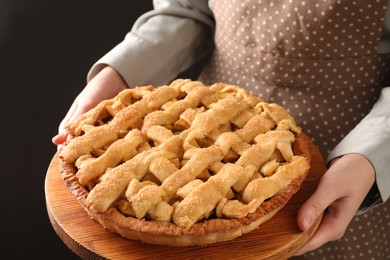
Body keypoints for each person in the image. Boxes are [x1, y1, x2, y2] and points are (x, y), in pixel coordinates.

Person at [52, 1, 390, 258]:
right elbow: (187, 10)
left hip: (348, 161)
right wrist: (119, 76)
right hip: (200, 122)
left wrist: (372, 154)